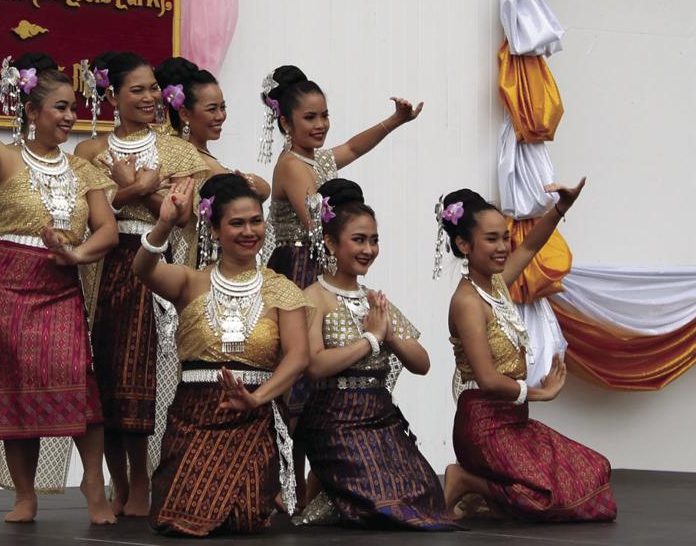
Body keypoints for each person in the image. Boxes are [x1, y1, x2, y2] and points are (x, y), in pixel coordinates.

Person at [0, 49, 119, 524]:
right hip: (7, 281)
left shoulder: (84, 171)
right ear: (32, 111)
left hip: (60, 281)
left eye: (73, 107)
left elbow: (108, 231)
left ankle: (94, 487)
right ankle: (24, 495)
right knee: (15, 385)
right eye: (59, 107)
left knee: (80, 378)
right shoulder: (1, 158)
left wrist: (76, 255)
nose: (69, 115)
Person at [133, 174, 312, 536]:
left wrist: (256, 398)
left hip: (254, 417)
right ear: (214, 229)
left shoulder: (281, 289)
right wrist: (164, 223)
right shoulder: (190, 281)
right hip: (195, 415)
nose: (250, 231)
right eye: (237, 223)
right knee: (179, 518)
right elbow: (143, 269)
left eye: (256, 221)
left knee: (245, 518)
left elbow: (298, 357)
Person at [438, 179, 617, 522]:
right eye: (491, 239)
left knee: (594, 473)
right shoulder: (467, 302)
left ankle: (484, 489)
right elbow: (488, 379)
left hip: (513, 421)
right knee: (544, 500)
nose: (503, 246)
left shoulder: (496, 284)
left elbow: (531, 246)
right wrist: (540, 392)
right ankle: (465, 479)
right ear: (464, 244)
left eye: (504, 236)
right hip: (483, 426)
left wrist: (562, 207)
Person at [75, 51, 205, 516]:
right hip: (106, 267)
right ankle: (119, 478)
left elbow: (183, 216)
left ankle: (146, 479)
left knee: (150, 373)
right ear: (112, 96)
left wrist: (139, 190)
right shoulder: (89, 152)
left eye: (154, 88)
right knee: (107, 373)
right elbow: (88, 215)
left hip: (153, 263)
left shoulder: (176, 150)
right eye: (139, 89)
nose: (151, 97)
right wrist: (132, 189)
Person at [297, 179, 456, 530]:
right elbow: (315, 366)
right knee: (385, 506)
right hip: (335, 418)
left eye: (374, 240)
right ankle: (327, 487)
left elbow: (423, 364)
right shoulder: (314, 297)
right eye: (359, 240)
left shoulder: (374, 299)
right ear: (330, 242)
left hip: (380, 416)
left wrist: (390, 337)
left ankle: (327, 492)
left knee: (426, 498)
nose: (368, 249)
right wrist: (371, 339)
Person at [262, 65, 422, 288]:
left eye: (324, 116)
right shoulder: (291, 165)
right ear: (286, 123)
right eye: (310, 117)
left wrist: (396, 119)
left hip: (320, 258)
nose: (320, 125)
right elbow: (316, 225)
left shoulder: (316, 158)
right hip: (299, 266)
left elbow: (353, 148)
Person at [155, 56, 269, 267]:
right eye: (211, 109)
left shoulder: (196, 154)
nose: (220, 116)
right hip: (194, 263)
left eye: (222, 107)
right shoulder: (182, 155)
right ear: (185, 113)